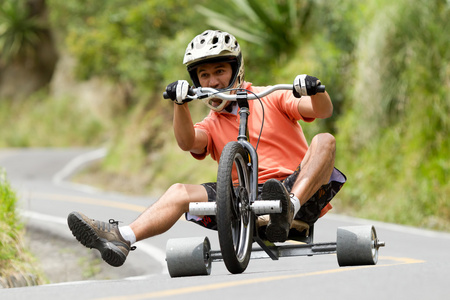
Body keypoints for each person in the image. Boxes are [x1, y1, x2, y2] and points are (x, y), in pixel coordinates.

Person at [67, 30, 346, 267]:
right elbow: (187, 142)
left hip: (293, 190)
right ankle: (122, 237)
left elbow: (322, 110)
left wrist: (314, 89)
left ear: (236, 71)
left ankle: (287, 208)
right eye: (204, 75)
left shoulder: (272, 97)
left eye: (220, 72)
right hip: (240, 200)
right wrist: (179, 104)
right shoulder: (211, 124)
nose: (212, 82)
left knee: (325, 140)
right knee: (178, 191)